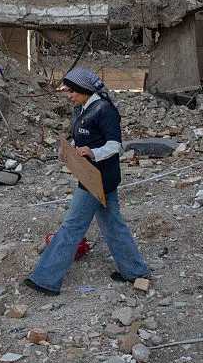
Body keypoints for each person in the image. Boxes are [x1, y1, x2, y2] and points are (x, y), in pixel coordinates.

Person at [24, 67, 150, 295]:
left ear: (84, 89)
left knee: (72, 227)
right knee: (112, 224)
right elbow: (84, 138)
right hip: (95, 176)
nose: (68, 95)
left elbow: (114, 145)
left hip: (97, 180)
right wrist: (69, 151)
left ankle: (46, 278)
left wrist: (93, 153)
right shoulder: (84, 108)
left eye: (71, 91)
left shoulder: (105, 110)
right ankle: (135, 271)